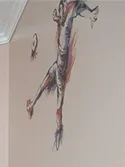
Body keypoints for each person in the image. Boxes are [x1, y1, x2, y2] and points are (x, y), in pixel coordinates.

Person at [26, 0, 99, 150]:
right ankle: (33, 106)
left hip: (60, 66)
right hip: (58, 63)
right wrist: (57, 19)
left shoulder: (73, 9)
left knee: (57, 100)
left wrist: (91, 14)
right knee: (47, 86)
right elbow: (64, 19)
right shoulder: (65, 8)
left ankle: (57, 126)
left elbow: (80, 11)